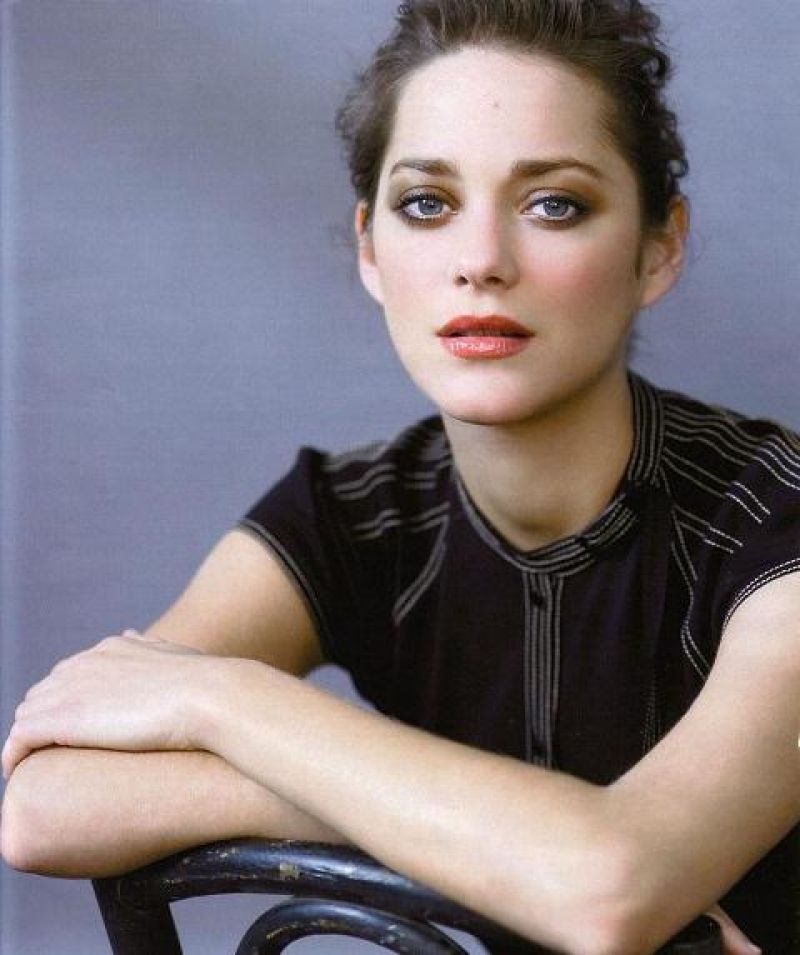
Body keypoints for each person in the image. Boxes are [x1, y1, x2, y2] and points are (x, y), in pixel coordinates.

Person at [1, 1, 798, 952]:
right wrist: (463, 830)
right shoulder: (353, 512)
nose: (481, 262)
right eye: (427, 204)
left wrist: (220, 699)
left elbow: (608, 890)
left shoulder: (775, 517)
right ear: (372, 248)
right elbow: (44, 802)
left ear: (658, 246)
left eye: (555, 204)